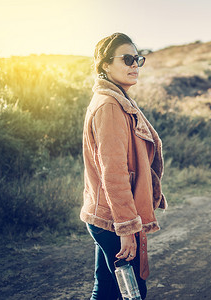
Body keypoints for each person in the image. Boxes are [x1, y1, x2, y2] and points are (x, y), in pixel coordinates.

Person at [80, 32, 167, 300]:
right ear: (105, 65)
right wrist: (127, 228)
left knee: (105, 289)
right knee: (132, 293)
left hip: (107, 215)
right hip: (115, 219)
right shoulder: (110, 106)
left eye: (137, 59)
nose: (134, 65)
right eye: (127, 59)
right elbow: (114, 173)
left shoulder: (117, 100)